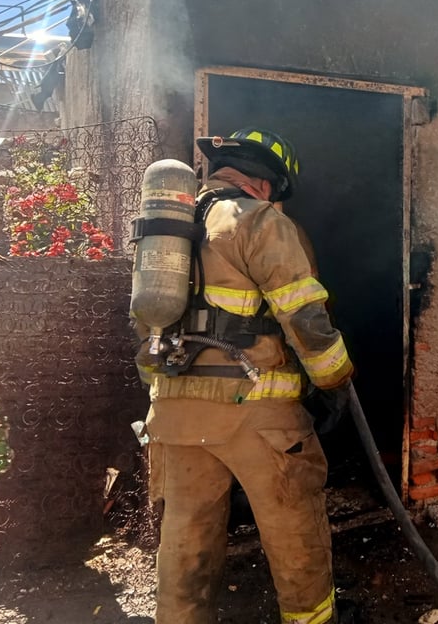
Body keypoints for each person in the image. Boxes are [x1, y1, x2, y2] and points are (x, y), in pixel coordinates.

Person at [137, 127, 354, 624]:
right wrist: (335, 380)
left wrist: (162, 395)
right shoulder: (258, 221)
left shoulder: (166, 235)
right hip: (255, 412)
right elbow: (303, 314)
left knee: (186, 542)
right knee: (294, 533)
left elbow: (143, 332)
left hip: (174, 417)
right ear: (268, 183)